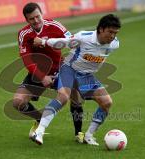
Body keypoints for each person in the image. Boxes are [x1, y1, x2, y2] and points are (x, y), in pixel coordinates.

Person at [31, 14, 121, 146]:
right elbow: (64, 42)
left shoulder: (114, 44)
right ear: (101, 29)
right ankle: (39, 131)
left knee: (107, 102)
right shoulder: (84, 37)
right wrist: (43, 42)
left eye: (115, 33)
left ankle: (89, 136)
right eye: (110, 32)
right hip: (69, 70)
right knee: (63, 97)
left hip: (87, 76)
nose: (112, 36)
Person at [13, 2, 84, 143]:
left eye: (37, 16)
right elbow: (26, 60)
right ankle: (39, 120)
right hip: (38, 72)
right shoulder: (24, 34)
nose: (36, 21)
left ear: (42, 14)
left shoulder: (55, 26)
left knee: (75, 96)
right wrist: (42, 76)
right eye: (31, 19)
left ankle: (79, 133)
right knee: (17, 102)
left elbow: (73, 42)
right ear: (27, 20)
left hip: (60, 69)